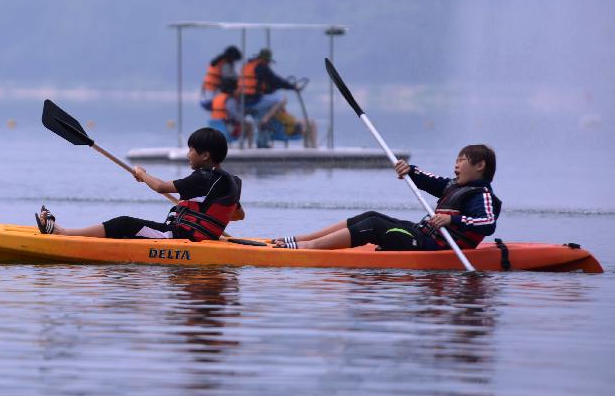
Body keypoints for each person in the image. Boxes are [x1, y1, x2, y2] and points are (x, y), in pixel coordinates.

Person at [273, 145, 500, 250]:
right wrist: (409, 170)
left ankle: (309, 248)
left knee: (374, 225)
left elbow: (488, 224)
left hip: (431, 246)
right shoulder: (453, 185)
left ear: (480, 165)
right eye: (457, 159)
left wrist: (452, 220)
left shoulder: (482, 195)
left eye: (462, 160)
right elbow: (429, 179)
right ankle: (303, 239)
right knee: (371, 215)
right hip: (422, 235)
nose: (456, 164)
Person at [36, 127, 245, 241]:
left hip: (182, 238)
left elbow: (161, 187)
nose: (188, 154)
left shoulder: (204, 177)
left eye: (191, 149)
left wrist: (142, 173)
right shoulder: (231, 181)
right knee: (135, 227)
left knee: (124, 223)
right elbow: (237, 215)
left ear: (206, 155)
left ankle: (62, 234)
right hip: (191, 236)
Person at [237, 48, 297, 123]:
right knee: (282, 98)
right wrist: (293, 87)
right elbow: (276, 80)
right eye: (268, 61)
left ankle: (262, 122)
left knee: (268, 98)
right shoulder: (262, 67)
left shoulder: (247, 66)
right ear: (266, 60)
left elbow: (256, 83)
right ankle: (265, 120)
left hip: (242, 101)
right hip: (253, 101)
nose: (268, 63)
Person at [200, 46, 242, 111]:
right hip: (211, 100)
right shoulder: (225, 65)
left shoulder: (217, 61)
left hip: (204, 97)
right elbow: (232, 78)